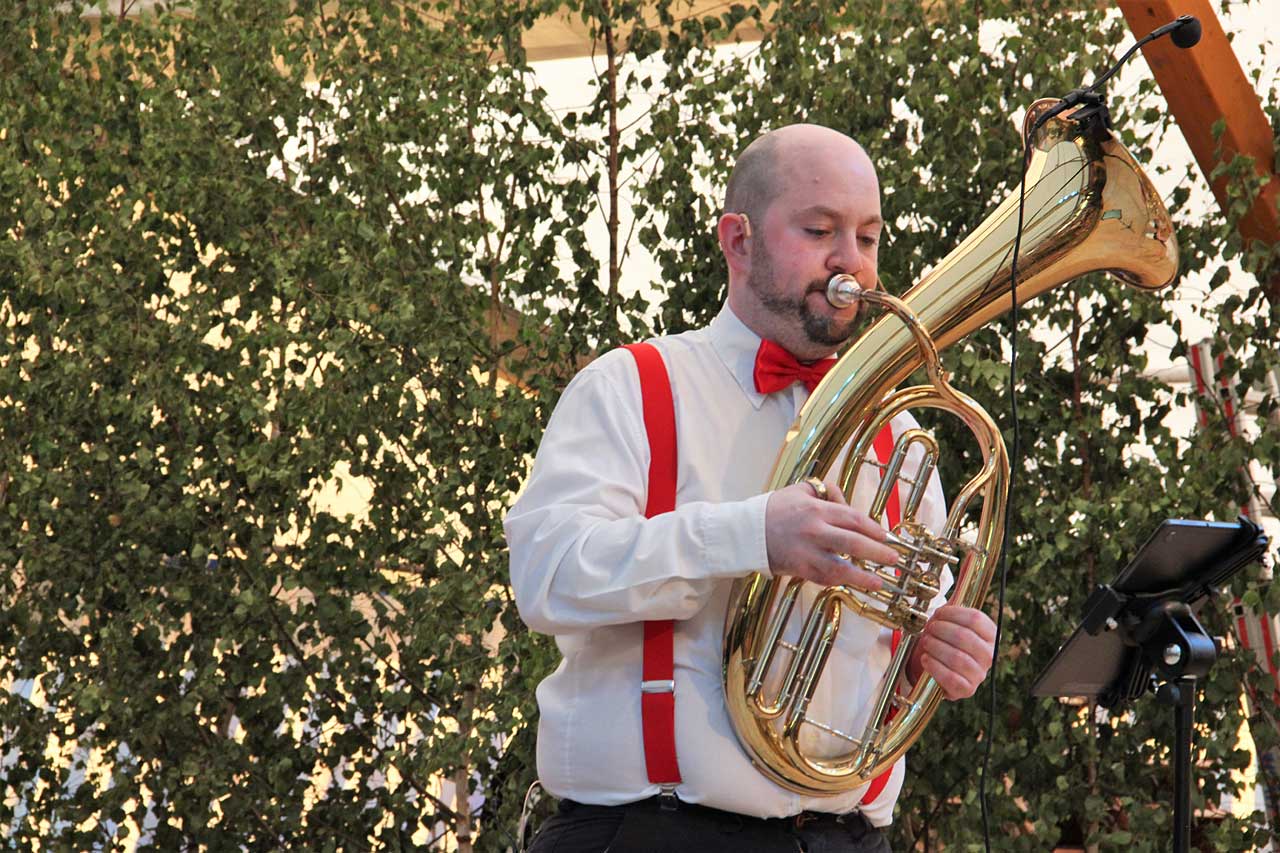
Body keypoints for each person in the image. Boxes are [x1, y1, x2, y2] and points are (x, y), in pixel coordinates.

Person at [504, 124, 996, 853]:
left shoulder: (897, 435)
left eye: (867, 236)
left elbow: (899, 631)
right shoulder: (630, 386)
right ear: (738, 241)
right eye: (820, 230)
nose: (851, 261)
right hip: (653, 833)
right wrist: (751, 536)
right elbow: (546, 575)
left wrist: (935, 649)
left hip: (850, 837)